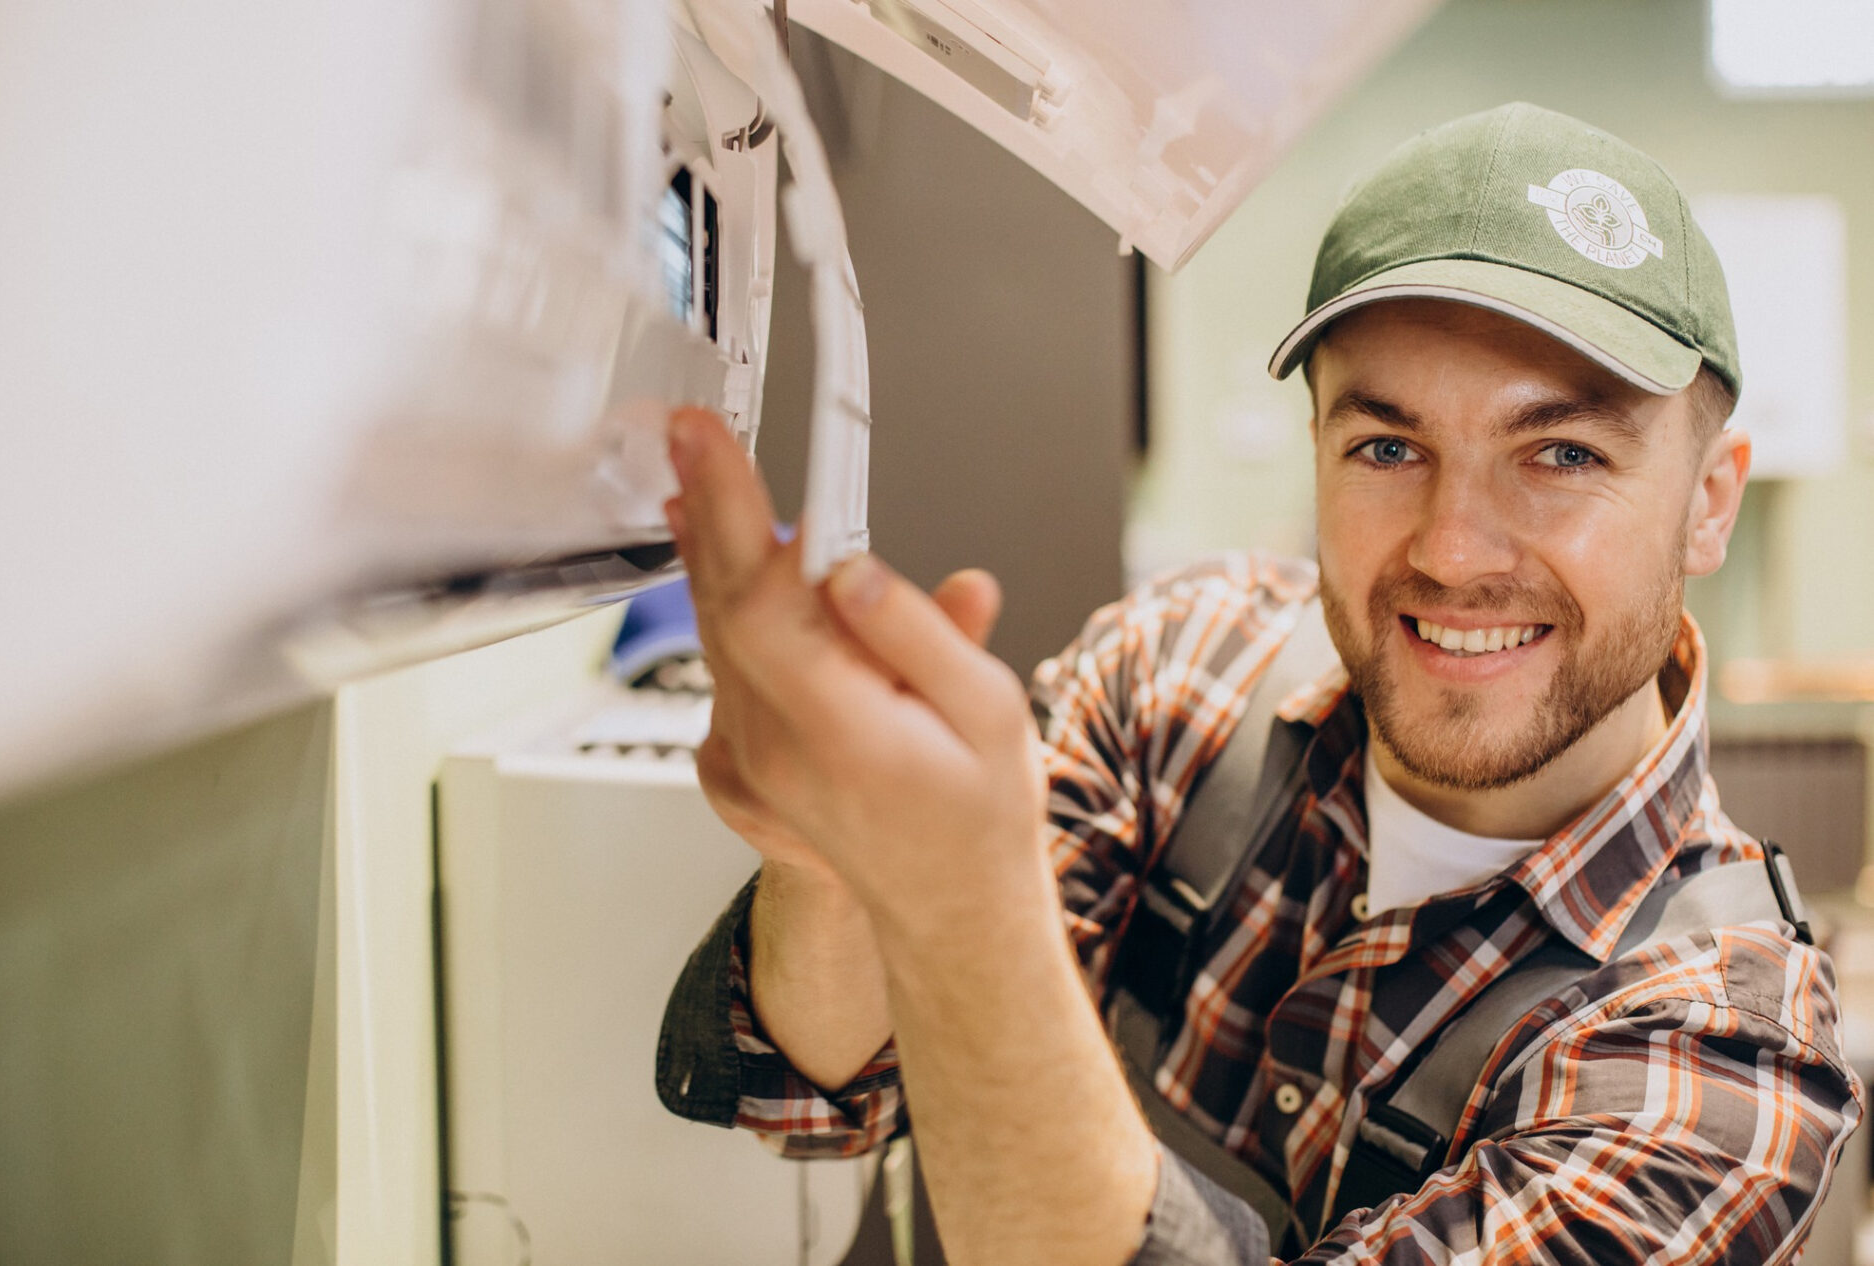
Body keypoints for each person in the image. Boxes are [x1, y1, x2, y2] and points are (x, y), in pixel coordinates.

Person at [652, 103, 1863, 1264]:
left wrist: (961, 901)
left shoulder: (1720, 1064)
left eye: (1561, 454)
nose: (1450, 549)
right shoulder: (1183, 672)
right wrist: (832, 857)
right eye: (1386, 448)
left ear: (1708, 501)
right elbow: (813, 1089)